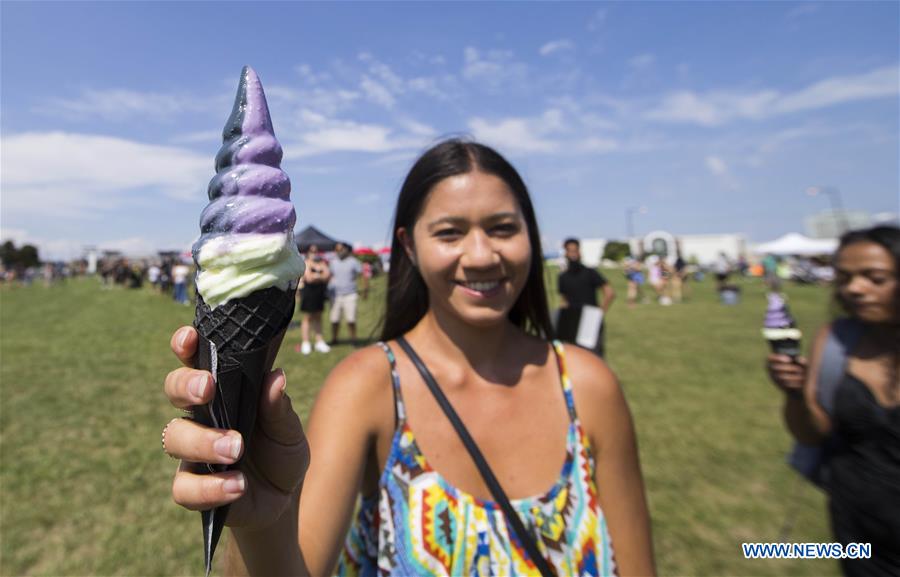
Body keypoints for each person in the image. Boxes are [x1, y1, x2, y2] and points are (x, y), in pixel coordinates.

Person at [161, 139, 655, 576]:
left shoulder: (589, 387)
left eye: (503, 228)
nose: (481, 254)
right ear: (409, 247)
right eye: (450, 233)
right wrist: (262, 525)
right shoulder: (368, 386)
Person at [767, 225, 899, 577]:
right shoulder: (837, 340)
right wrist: (794, 394)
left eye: (875, 278)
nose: (855, 288)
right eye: (844, 277)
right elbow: (812, 434)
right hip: (858, 532)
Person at [557, 238, 616, 357]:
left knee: (594, 357)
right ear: (565, 253)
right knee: (575, 357)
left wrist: (600, 312)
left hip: (590, 318)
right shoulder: (562, 277)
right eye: (570, 250)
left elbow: (609, 292)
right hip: (572, 319)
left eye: (575, 250)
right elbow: (564, 301)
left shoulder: (590, 272)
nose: (573, 253)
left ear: (580, 252)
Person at [328, 242, 368, 346]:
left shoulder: (353, 262)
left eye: (341, 249)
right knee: (334, 319)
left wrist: (365, 289)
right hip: (335, 296)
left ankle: (354, 340)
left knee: (351, 319)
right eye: (337, 250)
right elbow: (329, 276)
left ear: (346, 249)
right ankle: (334, 339)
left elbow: (363, 274)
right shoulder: (333, 262)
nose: (339, 252)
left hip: (350, 295)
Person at [296, 244, 331, 355]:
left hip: (319, 293)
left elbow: (327, 275)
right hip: (309, 293)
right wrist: (319, 276)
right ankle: (305, 342)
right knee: (308, 317)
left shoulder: (322, 263)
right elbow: (309, 279)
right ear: (308, 252)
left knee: (318, 316)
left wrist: (317, 276)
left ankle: (319, 341)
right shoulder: (306, 263)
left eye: (316, 251)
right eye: (312, 251)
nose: (314, 253)